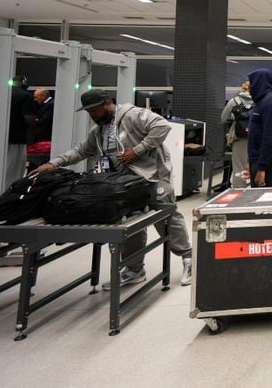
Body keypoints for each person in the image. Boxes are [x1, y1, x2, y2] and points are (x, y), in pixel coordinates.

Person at [32, 89, 193, 287]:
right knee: (129, 224)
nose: (92, 115)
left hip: (152, 178)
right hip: (124, 185)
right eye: (89, 112)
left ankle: (189, 258)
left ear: (107, 103)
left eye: (94, 110)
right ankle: (134, 269)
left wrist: (138, 150)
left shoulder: (132, 115)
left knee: (166, 218)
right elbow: (82, 150)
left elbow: (162, 126)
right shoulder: (99, 130)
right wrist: (54, 163)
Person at [220, 81, 254, 188]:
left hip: (238, 138)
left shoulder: (234, 101)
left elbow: (223, 118)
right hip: (256, 138)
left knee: (239, 167)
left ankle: (239, 191)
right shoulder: (258, 101)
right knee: (255, 165)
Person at [6, 75, 36, 187]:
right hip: (17, 139)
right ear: (23, 82)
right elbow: (30, 119)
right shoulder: (25, 96)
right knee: (14, 171)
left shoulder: (3, 92)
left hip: (2, 138)